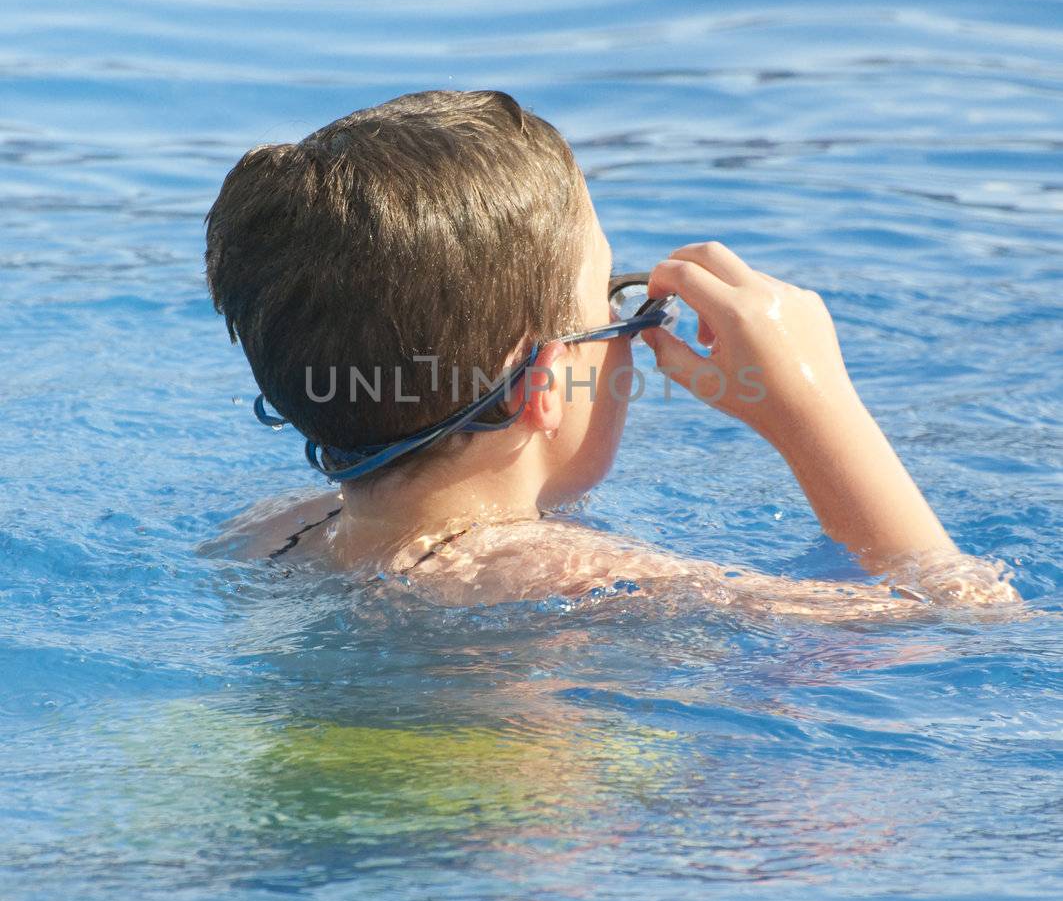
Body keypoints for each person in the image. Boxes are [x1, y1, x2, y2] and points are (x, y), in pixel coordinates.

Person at [203, 89, 1021, 620]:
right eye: (617, 305)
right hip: (506, 852)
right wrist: (817, 411)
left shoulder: (273, 533)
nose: (631, 326)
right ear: (544, 384)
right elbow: (961, 619)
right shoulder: (589, 581)